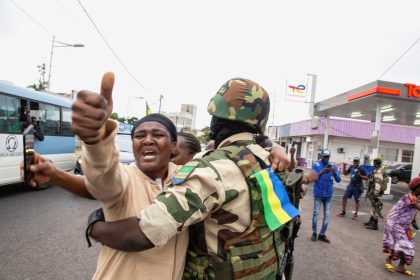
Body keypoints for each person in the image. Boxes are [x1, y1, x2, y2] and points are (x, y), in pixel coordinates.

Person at [76, 76, 298, 279]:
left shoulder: (212, 170)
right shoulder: (271, 159)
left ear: (215, 122)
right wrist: (274, 145)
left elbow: (143, 234)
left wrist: (94, 226)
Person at [383, 177, 420, 276]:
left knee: (410, 243)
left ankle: (401, 266)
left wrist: (413, 221)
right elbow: (417, 206)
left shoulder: (414, 197)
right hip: (395, 223)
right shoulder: (409, 197)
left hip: (405, 225)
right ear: (417, 188)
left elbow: (411, 211)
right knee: (403, 244)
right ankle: (388, 260)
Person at [310, 149, 341, 243]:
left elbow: (338, 180)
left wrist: (335, 172)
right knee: (316, 214)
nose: (326, 159)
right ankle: (314, 233)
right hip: (318, 194)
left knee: (327, 215)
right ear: (321, 156)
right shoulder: (316, 165)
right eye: (324, 157)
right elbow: (312, 178)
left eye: (328, 157)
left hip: (328, 195)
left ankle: (322, 234)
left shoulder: (333, 166)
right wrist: (321, 173)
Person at [365, 158, 387, 230]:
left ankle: (375, 224)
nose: (373, 164)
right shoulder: (376, 170)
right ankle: (371, 220)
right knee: (373, 207)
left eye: (374, 162)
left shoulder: (379, 171)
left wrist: (376, 194)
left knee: (376, 207)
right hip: (374, 191)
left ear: (376, 163)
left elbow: (378, 183)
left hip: (376, 192)